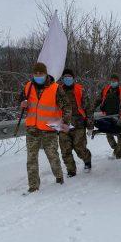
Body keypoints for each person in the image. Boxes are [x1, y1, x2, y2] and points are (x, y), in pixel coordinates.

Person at [19, 62, 72, 193]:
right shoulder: (28, 86)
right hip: (32, 128)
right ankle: (33, 186)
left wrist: (65, 122)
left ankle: (59, 176)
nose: (38, 76)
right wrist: (22, 103)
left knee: (52, 156)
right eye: (35, 73)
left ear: (46, 74)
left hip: (49, 129)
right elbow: (21, 99)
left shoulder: (55, 88)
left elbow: (67, 106)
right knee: (31, 158)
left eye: (41, 73)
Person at [58, 68, 94, 177]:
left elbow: (88, 108)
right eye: (65, 77)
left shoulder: (80, 90)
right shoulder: (58, 91)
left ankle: (87, 160)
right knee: (65, 150)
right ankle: (71, 170)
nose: (67, 79)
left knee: (80, 148)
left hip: (78, 124)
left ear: (73, 78)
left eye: (69, 77)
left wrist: (90, 126)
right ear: (62, 79)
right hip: (63, 124)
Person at [94, 74, 121, 159]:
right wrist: (92, 108)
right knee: (108, 133)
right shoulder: (106, 89)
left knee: (120, 134)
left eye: (115, 80)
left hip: (118, 115)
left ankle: (118, 155)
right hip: (107, 114)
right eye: (112, 80)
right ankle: (115, 148)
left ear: (118, 81)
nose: (113, 82)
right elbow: (99, 100)